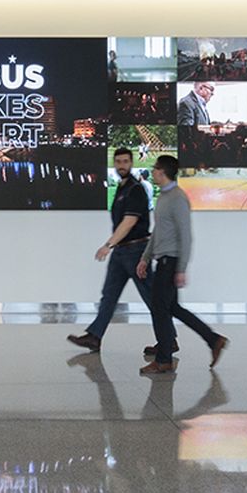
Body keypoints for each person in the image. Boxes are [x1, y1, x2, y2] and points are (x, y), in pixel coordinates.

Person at [135, 155, 228, 376]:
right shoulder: (164, 197)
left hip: (171, 261)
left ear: (162, 172)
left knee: (159, 308)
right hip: (162, 259)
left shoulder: (177, 198)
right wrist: (145, 257)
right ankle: (213, 339)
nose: (153, 171)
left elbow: (186, 236)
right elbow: (158, 231)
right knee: (171, 308)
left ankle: (164, 359)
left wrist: (181, 268)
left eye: (155, 168)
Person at [66, 148, 156, 354]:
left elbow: (129, 222)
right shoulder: (122, 188)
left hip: (135, 251)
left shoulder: (135, 189)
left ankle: (168, 340)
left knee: (151, 298)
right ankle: (95, 336)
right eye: (118, 161)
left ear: (131, 163)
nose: (121, 165)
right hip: (122, 251)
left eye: (125, 161)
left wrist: (108, 245)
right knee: (109, 295)